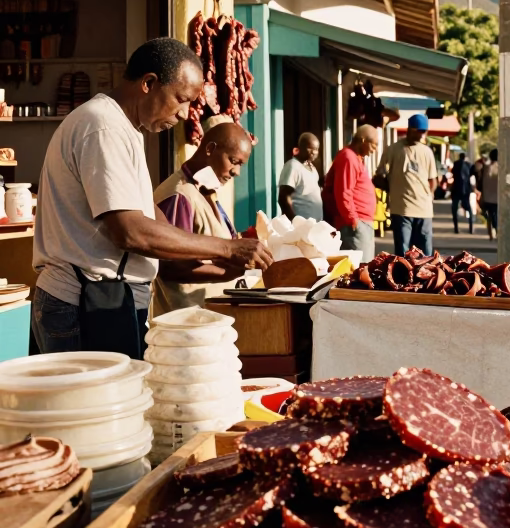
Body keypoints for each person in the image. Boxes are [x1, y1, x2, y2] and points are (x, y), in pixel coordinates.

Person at [32, 38, 271, 357]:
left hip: (106, 298)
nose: (186, 114)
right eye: (181, 100)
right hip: (84, 301)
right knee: (98, 406)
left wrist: (221, 253)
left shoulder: (123, 128)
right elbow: (130, 231)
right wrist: (226, 248)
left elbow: (148, 216)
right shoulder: (103, 127)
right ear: (149, 83)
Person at [152, 122, 254, 315]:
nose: (236, 172)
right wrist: (232, 273)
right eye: (234, 161)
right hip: (187, 325)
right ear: (210, 149)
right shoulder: (179, 195)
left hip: (209, 320)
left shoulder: (205, 191)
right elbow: (171, 268)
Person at [374, 113, 437, 255]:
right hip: (401, 210)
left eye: (424, 132)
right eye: (419, 131)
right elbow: (378, 176)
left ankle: (424, 278)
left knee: (425, 253)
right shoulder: (394, 149)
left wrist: (429, 196)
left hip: (424, 211)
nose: (421, 135)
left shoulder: (427, 152)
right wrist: (392, 186)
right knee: (402, 253)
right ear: (410, 129)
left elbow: (433, 180)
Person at [323, 124, 378, 260]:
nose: (374, 151)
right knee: (359, 268)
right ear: (363, 140)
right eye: (373, 145)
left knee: (365, 265)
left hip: (362, 222)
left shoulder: (355, 157)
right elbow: (343, 191)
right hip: (355, 223)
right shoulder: (349, 157)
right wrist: (352, 219)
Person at [278, 132, 322, 220]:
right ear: (300, 147)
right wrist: (294, 220)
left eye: (316, 149)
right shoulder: (293, 166)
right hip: (300, 226)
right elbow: (284, 197)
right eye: (310, 148)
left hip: (314, 226)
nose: (314, 152)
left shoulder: (312, 168)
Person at [450, 152, 473, 235]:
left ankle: (456, 228)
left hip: (456, 189)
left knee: (454, 209)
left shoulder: (456, 164)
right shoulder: (468, 165)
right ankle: (471, 227)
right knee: (469, 209)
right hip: (466, 189)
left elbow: (453, 173)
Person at [479, 148, 499, 240]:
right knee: (497, 216)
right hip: (498, 197)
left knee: (490, 217)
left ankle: (490, 235)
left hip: (487, 197)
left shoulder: (486, 167)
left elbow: (481, 181)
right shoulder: (502, 167)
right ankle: (498, 232)